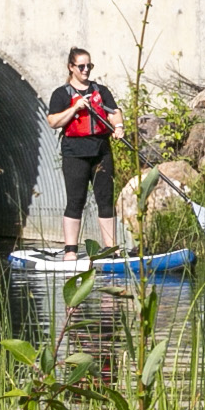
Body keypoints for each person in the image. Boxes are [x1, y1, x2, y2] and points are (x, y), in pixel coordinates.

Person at [43, 46, 121, 257]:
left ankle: (111, 249)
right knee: (76, 200)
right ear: (71, 67)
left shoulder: (100, 91)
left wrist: (119, 127)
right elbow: (53, 121)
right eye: (81, 66)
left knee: (105, 199)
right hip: (75, 153)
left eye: (89, 66)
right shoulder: (61, 94)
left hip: (101, 151)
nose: (86, 70)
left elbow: (114, 113)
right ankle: (71, 250)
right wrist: (75, 108)